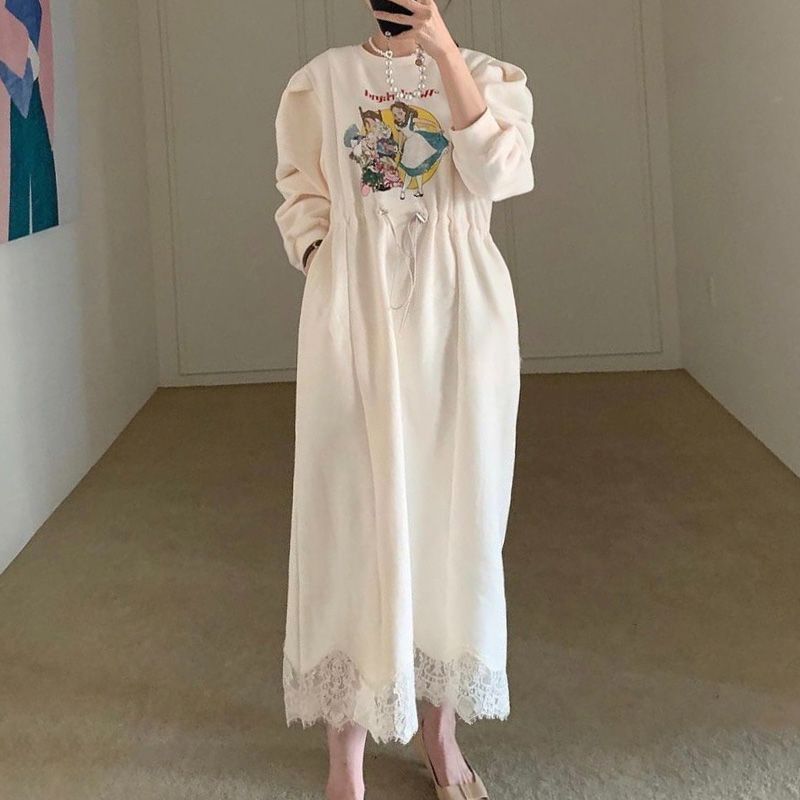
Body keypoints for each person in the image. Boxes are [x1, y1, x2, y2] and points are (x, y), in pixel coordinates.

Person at [273, 1, 535, 797]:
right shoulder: (321, 81)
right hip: (355, 317)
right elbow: (300, 190)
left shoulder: (488, 76)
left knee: (458, 519)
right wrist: (324, 256)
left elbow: (501, 174)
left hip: (461, 320)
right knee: (352, 520)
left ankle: (438, 733)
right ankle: (345, 756)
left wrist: (443, 51)